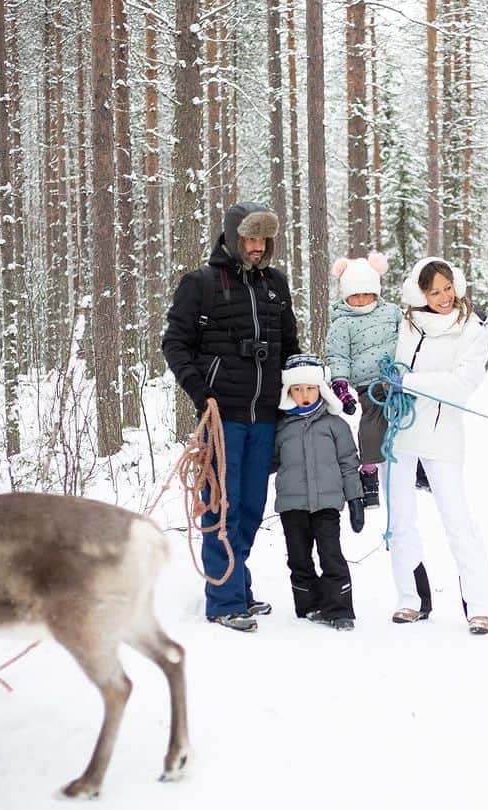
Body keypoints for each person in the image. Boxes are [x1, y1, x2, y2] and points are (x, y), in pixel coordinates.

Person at [162, 201, 300, 632]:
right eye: (250, 238)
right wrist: (202, 393)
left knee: (251, 508)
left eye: (263, 239)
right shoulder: (200, 283)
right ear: (232, 237)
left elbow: (291, 346)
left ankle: (237, 585)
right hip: (222, 416)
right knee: (221, 505)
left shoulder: (276, 284)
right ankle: (223, 599)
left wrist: (303, 389)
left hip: (265, 415)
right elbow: (175, 344)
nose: (257, 247)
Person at [384, 256, 488, 635]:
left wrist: (411, 382)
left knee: (458, 521)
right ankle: (411, 599)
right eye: (434, 291)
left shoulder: (471, 329)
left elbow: (462, 384)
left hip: (442, 436)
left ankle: (480, 605)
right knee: (399, 520)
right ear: (420, 294)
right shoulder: (404, 324)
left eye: (448, 288)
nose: (443, 297)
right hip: (399, 434)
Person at [273, 354, 365, 631]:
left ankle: (339, 610)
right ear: (288, 391)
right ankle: (309, 606)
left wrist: (355, 498)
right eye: (297, 389)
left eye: (310, 388)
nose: (304, 394)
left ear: (320, 389)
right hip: (292, 506)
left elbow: (349, 464)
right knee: (298, 557)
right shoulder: (281, 427)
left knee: (331, 555)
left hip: (327, 504)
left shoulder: (335, 424)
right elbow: (268, 461)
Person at [324, 252, 402, 509]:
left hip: (397, 376)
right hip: (368, 383)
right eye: (354, 295)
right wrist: (341, 385)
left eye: (365, 294)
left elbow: (410, 335)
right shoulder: (342, 323)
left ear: (375, 292)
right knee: (372, 420)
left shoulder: (392, 312)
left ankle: (421, 465)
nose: (360, 300)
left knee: (412, 414)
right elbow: (338, 355)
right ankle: (369, 471)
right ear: (345, 296)